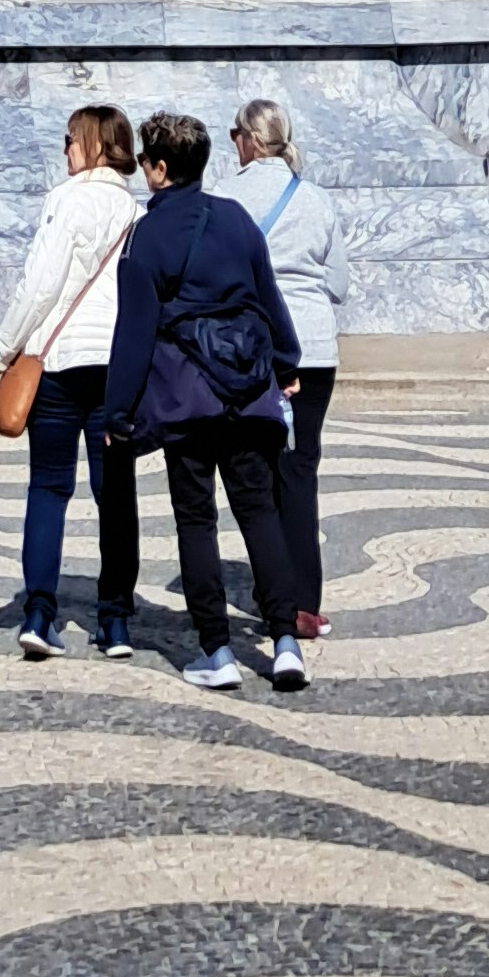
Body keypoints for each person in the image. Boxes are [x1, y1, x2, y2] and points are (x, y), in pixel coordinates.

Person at [100, 109, 305, 694]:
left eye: (144, 160)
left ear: (159, 169)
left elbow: (133, 332)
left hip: (188, 398)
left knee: (196, 520)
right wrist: (285, 364)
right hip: (248, 389)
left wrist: (118, 412)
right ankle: (285, 641)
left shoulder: (147, 234)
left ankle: (217, 650)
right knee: (259, 511)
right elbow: (269, 299)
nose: (141, 169)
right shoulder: (237, 218)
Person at [0, 104, 141, 658]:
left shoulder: (66, 200)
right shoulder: (135, 210)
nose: (64, 149)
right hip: (115, 366)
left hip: (59, 360)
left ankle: (39, 612)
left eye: (70, 139)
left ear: (94, 144)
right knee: (114, 495)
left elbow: (41, 284)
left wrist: (3, 347)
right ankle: (115, 619)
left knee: (48, 488)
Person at [227, 100, 344, 640]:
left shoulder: (227, 197)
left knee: (260, 471)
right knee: (301, 470)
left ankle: (276, 594)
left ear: (249, 141)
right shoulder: (317, 200)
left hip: (255, 349)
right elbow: (339, 284)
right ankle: (305, 600)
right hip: (316, 348)